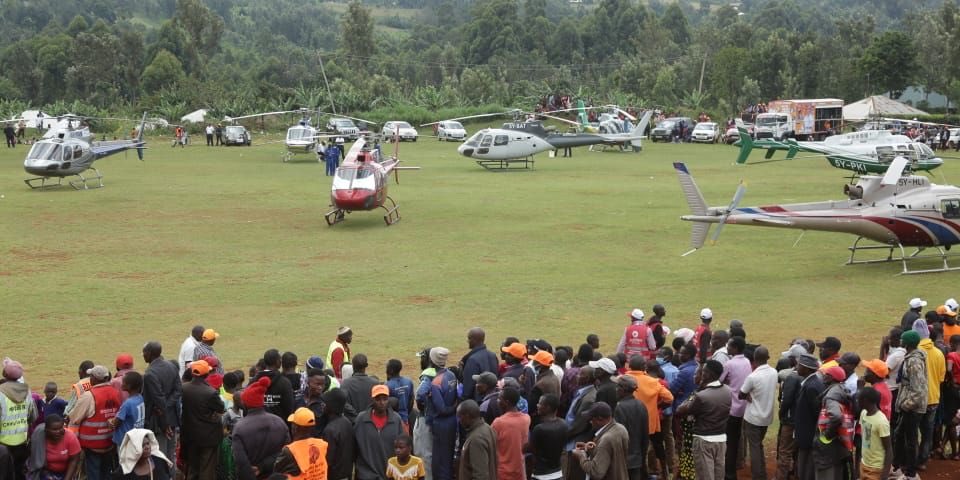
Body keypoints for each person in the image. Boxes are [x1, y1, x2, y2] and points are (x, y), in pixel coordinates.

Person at [677, 360, 730, 480]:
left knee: (704, 476)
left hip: (703, 441)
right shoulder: (728, 391)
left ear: (708, 375)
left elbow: (681, 410)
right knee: (719, 475)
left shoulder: (701, 396)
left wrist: (698, 390)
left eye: (703, 372)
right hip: (721, 439)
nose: (701, 374)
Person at [623, 355, 672, 479]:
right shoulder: (652, 381)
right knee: (656, 446)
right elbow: (669, 398)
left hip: (629, 423)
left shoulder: (623, 379)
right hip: (650, 422)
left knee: (635, 450)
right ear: (644, 367)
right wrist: (657, 406)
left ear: (629, 366)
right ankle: (665, 473)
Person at [67, 365, 120, 480]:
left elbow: (75, 417)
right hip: (110, 441)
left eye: (91, 376)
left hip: (92, 445)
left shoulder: (89, 395)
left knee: (93, 473)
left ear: (94, 379)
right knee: (106, 472)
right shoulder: (116, 392)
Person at [181, 360, 225, 480]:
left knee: (192, 468)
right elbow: (221, 408)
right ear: (206, 374)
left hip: (189, 436)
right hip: (208, 437)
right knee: (207, 469)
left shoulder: (184, 388)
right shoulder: (210, 392)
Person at [739, 346, 777, 480]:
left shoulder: (752, 376)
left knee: (754, 448)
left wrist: (748, 395)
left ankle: (757, 476)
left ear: (754, 359)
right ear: (768, 358)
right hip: (767, 417)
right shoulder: (773, 372)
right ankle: (762, 474)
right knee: (758, 445)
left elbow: (741, 394)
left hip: (753, 418)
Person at [141, 341, 181, 471]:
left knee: (160, 458)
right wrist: (168, 405)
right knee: (170, 456)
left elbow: (159, 400)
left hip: (159, 423)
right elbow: (177, 391)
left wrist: (164, 424)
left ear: (150, 354)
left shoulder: (149, 374)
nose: (143, 355)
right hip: (172, 418)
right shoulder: (172, 366)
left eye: (144, 352)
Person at [355, 385, 405, 480]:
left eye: (385, 399)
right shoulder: (361, 419)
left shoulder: (396, 419)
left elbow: (402, 447)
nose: (382, 403)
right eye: (378, 399)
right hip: (366, 474)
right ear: (372, 400)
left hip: (389, 474)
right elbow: (355, 446)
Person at [571, 402, 629, 480]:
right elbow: (612, 455)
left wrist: (581, 456)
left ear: (600, 419)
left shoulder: (606, 439)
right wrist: (592, 449)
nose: (590, 422)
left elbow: (596, 472)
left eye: (591, 419)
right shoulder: (621, 428)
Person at [719, 336, 751, 480]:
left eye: (730, 346)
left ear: (736, 348)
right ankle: (735, 468)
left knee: (728, 443)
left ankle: (729, 474)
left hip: (731, 408)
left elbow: (718, 381)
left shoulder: (729, 364)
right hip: (744, 408)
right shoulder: (747, 361)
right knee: (736, 440)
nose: (728, 348)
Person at [813, 366, 853, 480]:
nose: (824, 376)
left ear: (831, 378)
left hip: (829, 445)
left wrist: (827, 434)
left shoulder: (831, 395)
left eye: (826, 374)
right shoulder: (842, 389)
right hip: (840, 441)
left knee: (826, 473)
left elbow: (836, 416)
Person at [0, 359, 37, 480]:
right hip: (22, 442)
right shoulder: (27, 392)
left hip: (3, 445)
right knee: (20, 473)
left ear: (4, 374)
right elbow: (33, 416)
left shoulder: (1, 392)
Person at [426, 347, 458, 480]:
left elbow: (442, 409)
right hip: (452, 422)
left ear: (432, 361)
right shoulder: (452, 375)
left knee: (440, 461)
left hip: (441, 424)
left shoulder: (435, 383)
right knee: (448, 456)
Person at [918, 322, 946, 468]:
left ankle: (912, 461)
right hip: (933, 398)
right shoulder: (939, 353)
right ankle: (923, 461)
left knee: (910, 432)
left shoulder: (915, 351)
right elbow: (941, 378)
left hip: (916, 400)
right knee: (927, 433)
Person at [792, 354, 824, 480]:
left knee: (806, 469)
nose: (796, 367)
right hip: (806, 434)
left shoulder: (811, 386)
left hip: (808, 436)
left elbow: (817, 413)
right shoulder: (810, 383)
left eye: (799, 365)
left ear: (806, 368)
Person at [273, 407, 329, 478]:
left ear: (295, 428)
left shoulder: (290, 451)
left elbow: (276, 471)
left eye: (293, 423)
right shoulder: (322, 444)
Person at [670, 343, 699, 480]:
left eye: (681, 353)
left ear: (688, 355)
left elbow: (671, 390)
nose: (679, 355)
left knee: (682, 443)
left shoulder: (684, 372)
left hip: (682, 411)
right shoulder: (698, 367)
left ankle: (683, 472)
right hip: (696, 411)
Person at [612, 375, 649, 480]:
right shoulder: (641, 405)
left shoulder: (620, 408)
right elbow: (645, 434)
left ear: (623, 390)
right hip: (637, 458)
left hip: (623, 459)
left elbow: (618, 436)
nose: (615, 389)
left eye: (617, 387)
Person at [564, 366, 597, 480]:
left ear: (586, 378)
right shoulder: (582, 392)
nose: (577, 376)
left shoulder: (589, 398)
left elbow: (580, 424)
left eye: (580, 374)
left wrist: (565, 435)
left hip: (576, 439)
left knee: (575, 472)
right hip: (572, 435)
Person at [27, 414, 81, 480]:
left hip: (65, 473)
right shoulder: (40, 438)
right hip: (46, 472)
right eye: (54, 429)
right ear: (46, 430)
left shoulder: (70, 437)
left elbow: (74, 460)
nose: (58, 431)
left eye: (61, 428)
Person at [526, 393, 567, 480]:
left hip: (541, 474)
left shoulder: (539, 429)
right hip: (558, 472)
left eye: (540, 403)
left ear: (547, 407)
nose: (537, 405)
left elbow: (530, 449)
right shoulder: (563, 424)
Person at [319, 388, 355, 480]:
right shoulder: (346, 422)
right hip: (347, 473)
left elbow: (328, 460)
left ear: (331, 406)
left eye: (325, 403)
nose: (322, 405)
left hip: (335, 476)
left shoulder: (330, 430)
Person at [457, 400, 497, 480]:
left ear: (467, 416)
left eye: (460, 417)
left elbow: (481, 475)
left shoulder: (476, 439)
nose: (459, 421)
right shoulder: (487, 428)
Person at [859, 387, 892, 480]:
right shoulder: (863, 413)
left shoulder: (881, 421)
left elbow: (889, 449)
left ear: (865, 400)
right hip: (864, 463)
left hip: (876, 468)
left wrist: (885, 474)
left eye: (859, 399)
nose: (857, 401)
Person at [460, 328, 500, 402]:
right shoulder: (492, 355)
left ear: (474, 340)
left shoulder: (472, 360)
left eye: (469, 338)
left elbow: (467, 388)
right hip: (493, 398)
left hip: (477, 402)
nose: (467, 341)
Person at [255, 349, 296, 420]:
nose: (281, 361)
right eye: (280, 359)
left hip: (258, 425)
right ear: (278, 362)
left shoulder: (254, 381)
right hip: (280, 426)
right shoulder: (285, 383)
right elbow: (289, 409)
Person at [110, 371, 145, 449]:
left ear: (129, 386)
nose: (121, 384)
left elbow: (115, 424)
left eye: (123, 382)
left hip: (125, 441)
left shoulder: (127, 403)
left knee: (124, 461)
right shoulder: (140, 397)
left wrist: (109, 422)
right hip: (136, 438)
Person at [528, 350, 560, 424]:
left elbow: (531, 406)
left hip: (540, 420)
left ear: (539, 365)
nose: (532, 364)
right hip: (552, 417)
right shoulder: (554, 377)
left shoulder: (541, 384)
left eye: (534, 362)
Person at [386, 359, 415, 427]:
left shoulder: (387, 385)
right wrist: (406, 413)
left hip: (393, 421)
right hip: (406, 418)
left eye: (387, 368)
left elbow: (386, 405)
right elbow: (411, 400)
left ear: (391, 370)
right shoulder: (408, 382)